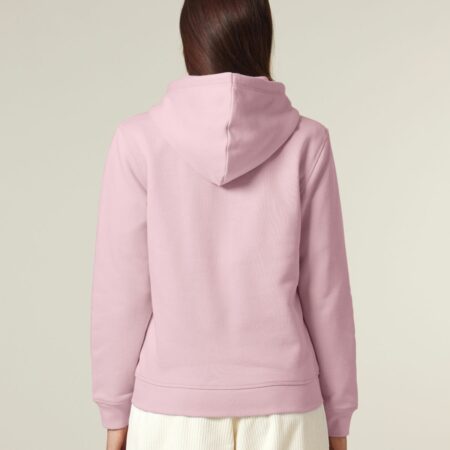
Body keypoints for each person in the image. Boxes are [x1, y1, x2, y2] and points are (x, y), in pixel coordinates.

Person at [90, 1, 358, 449]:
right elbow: (326, 293)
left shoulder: (138, 142)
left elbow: (121, 291)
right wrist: (338, 419)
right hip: (287, 409)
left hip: (171, 412)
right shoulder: (307, 142)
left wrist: (114, 411)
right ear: (262, 42)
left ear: (189, 46)